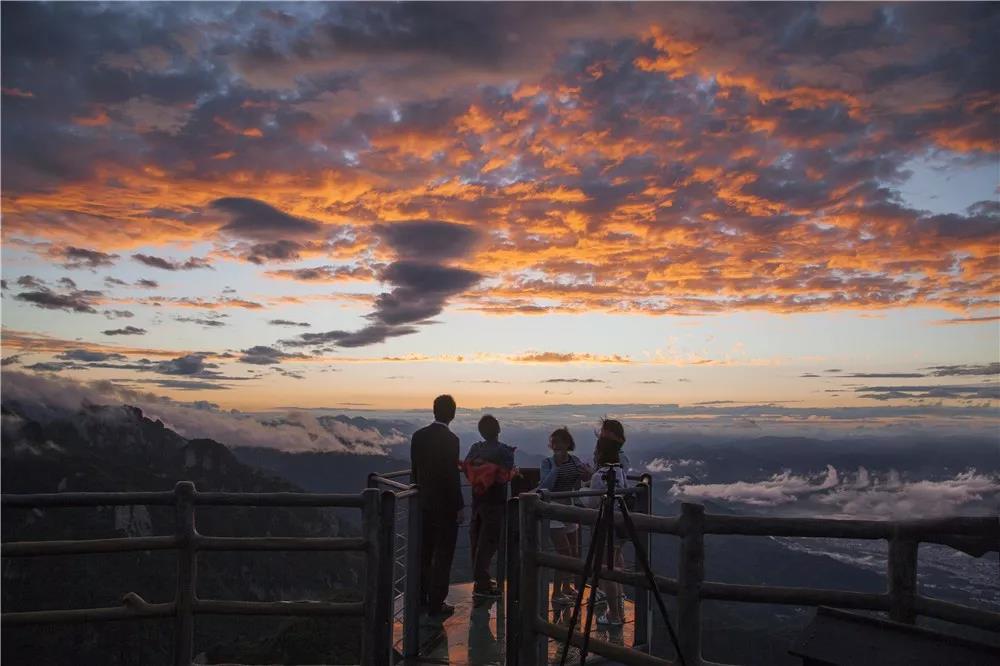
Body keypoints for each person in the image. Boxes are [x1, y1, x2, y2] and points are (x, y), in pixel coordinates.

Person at [410, 394, 464, 618]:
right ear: (452, 414)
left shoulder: (418, 436)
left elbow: (415, 470)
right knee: (443, 556)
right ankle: (437, 604)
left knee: (424, 552)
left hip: (423, 503)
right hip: (445, 507)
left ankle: (420, 598)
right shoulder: (452, 440)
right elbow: (452, 476)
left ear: (434, 411)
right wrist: (460, 505)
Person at [463, 414, 517, 597]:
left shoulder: (475, 448)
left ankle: (480, 580)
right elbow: (508, 472)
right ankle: (483, 584)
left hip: (477, 500)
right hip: (495, 502)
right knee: (490, 542)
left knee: (476, 539)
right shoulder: (504, 451)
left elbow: (466, 469)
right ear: (499, 430)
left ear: (480, 431)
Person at [538, 427, 592, 605]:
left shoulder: (575, 461)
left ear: (567, 443)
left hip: (569, 509)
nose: (555, 446)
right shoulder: (547, 463)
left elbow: (579, 485)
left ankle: (567, 587)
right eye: (553, 443)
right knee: (564, 552)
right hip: (553, 510)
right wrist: (556, 468)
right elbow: (545, 487)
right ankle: (556, 593)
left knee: (574, 552)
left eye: (559, 442)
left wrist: (587, 476)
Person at [585, 422, 630, 626]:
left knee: (606, 568)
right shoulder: (620, 471)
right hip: (620, 524)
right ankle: (619, 611)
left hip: (604, 527)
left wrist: (582, 495)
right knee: (617, 566)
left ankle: (613, 615)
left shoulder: (598, 476)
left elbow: (594, 503)